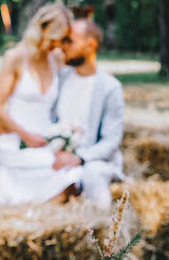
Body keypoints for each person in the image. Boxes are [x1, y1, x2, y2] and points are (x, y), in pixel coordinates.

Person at [0, 3, 83, 206]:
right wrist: (26, 136)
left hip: (46, 139)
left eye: (61, 40)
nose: (57, 45)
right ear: (42, 29)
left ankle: (42, 213)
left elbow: (78, 76)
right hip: (18, 139)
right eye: (54, 39)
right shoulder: (15, 58)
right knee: (51, 166)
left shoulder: (55, 59)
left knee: (73, 171)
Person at [53, 18, 125, 209]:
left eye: (70, 41)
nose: (63, 46)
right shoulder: (60, 78)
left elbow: (111, 141)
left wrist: (79, 158)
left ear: (90, 45)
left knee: (92, 175)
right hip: (55, 154)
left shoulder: (110, 87)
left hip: (91, 160)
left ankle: (98, 230)